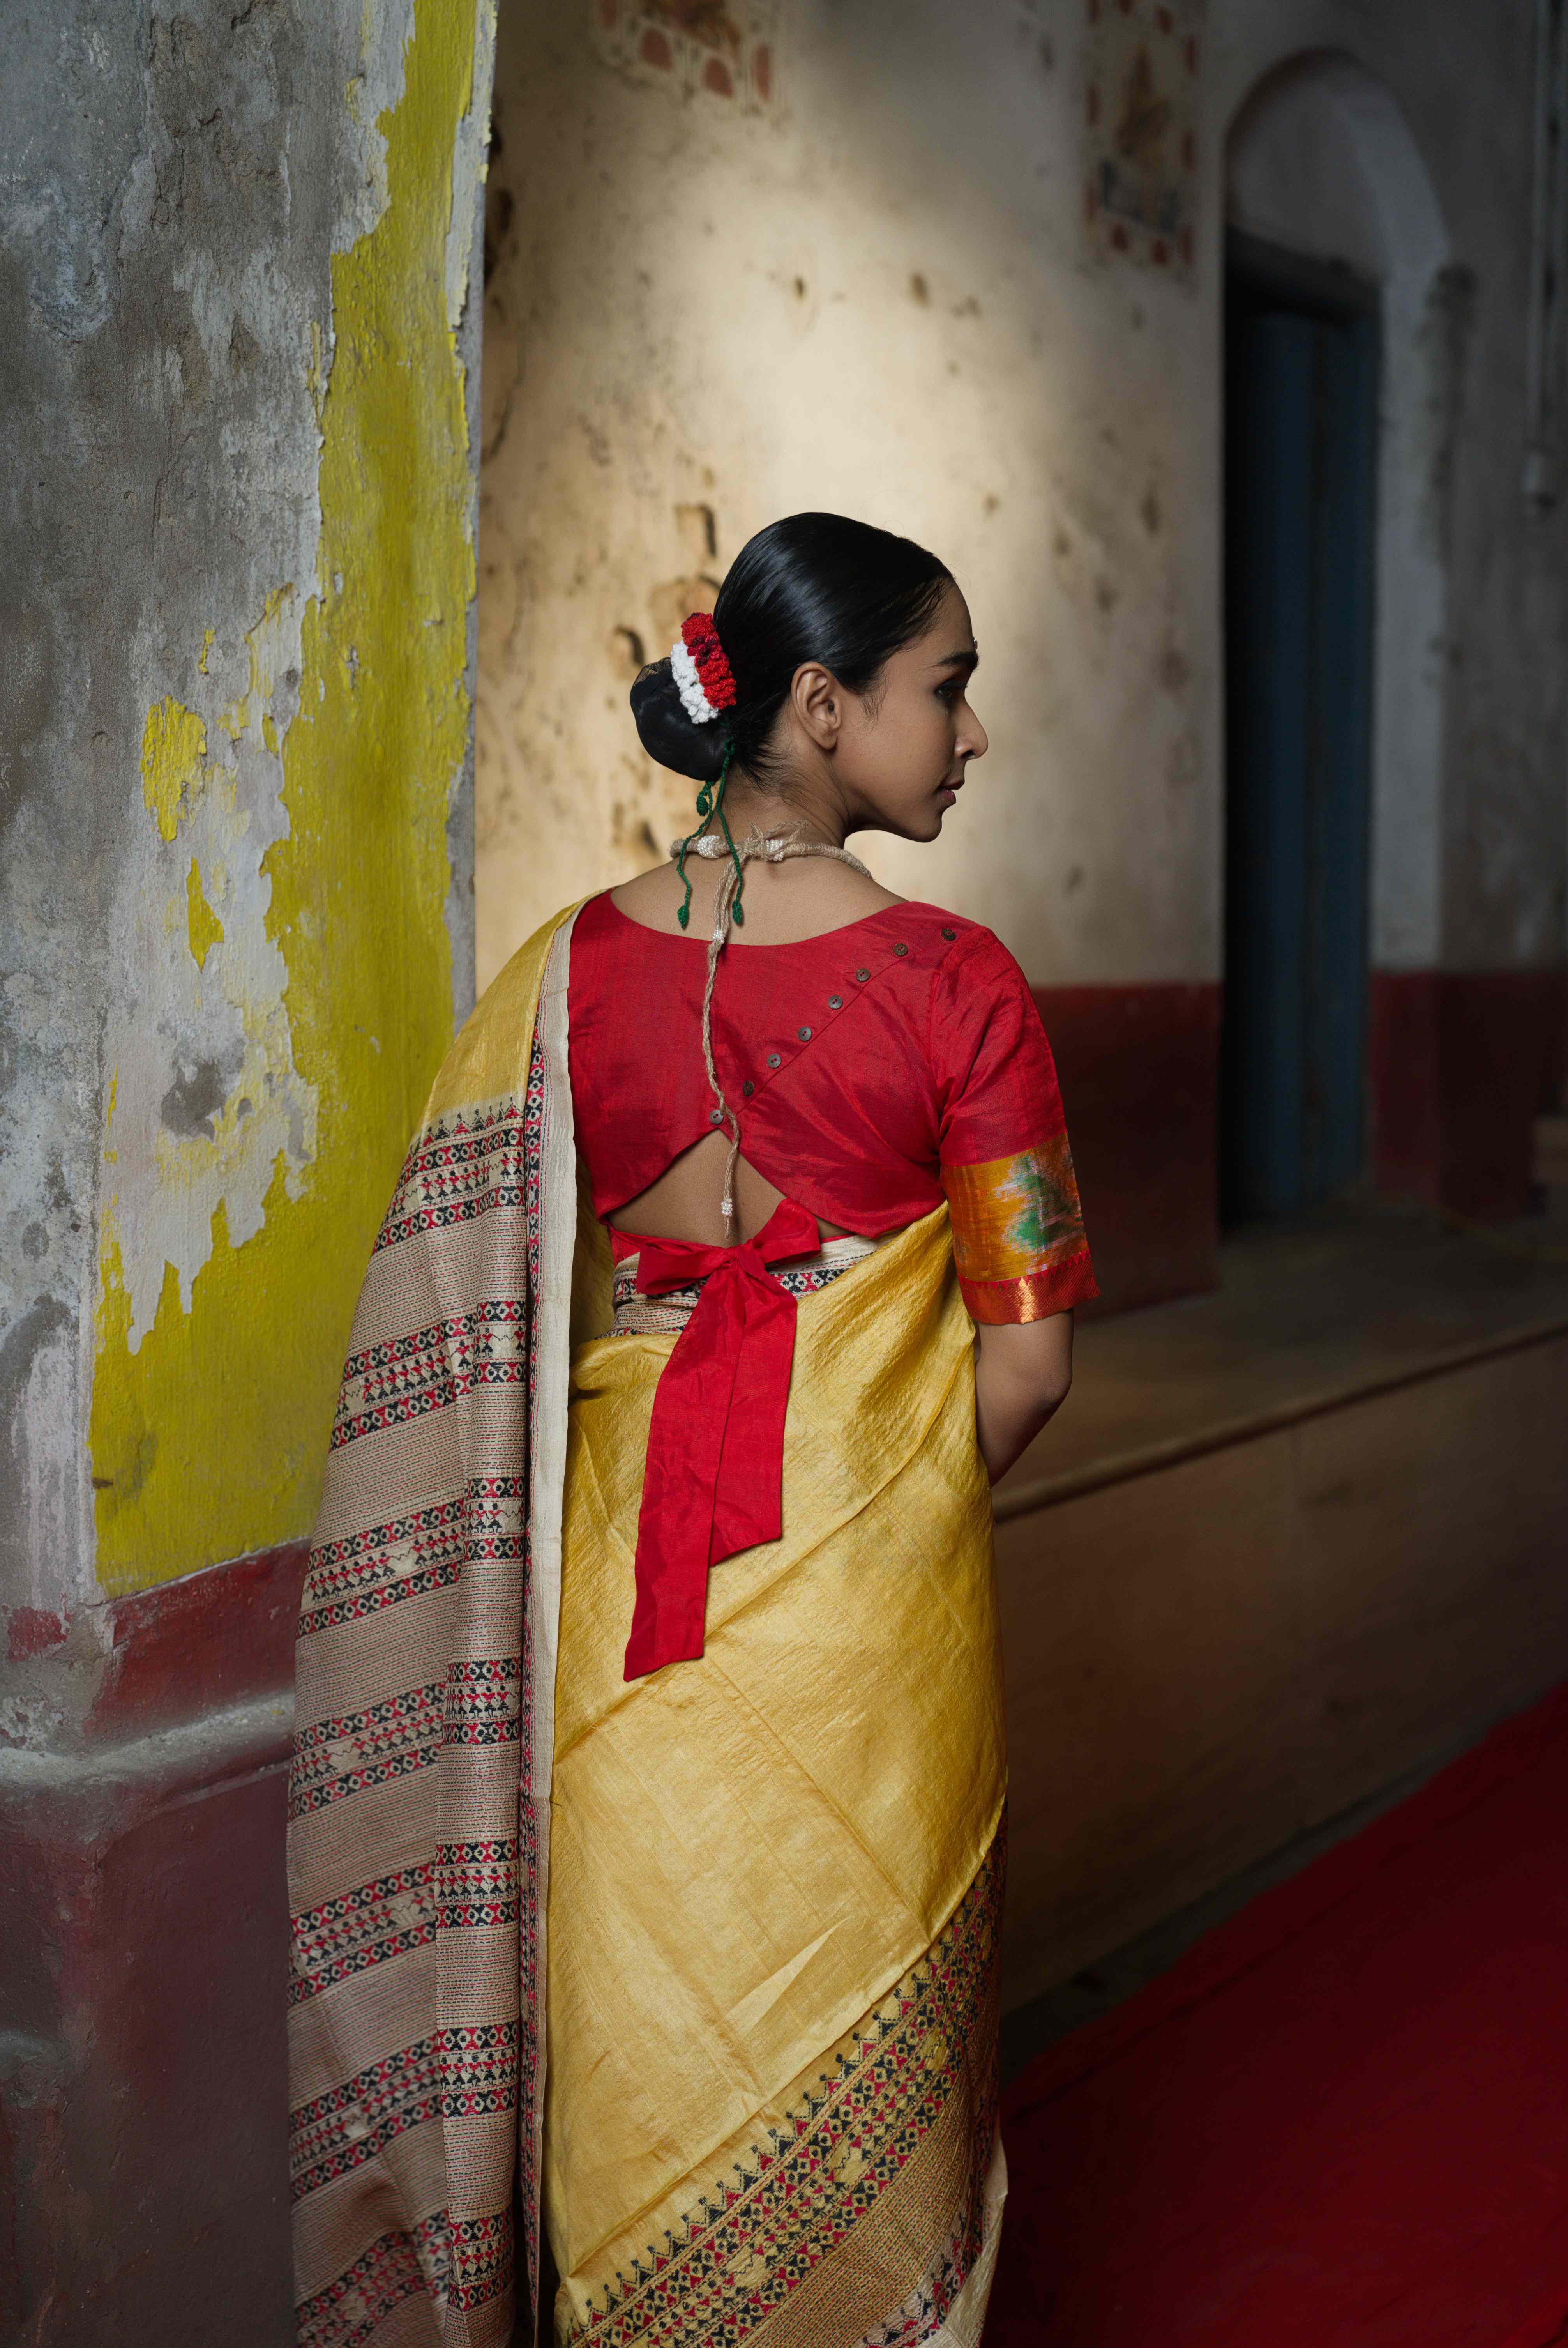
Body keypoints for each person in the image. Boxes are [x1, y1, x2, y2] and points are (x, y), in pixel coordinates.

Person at [286, 514, 1096, 2348]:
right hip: (868, 1619)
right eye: (945, 688)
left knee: (647, 1988)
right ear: (820, 705)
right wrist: (878, 1508)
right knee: (857, 1983)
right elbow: (1030, 1359)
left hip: (614, 1581)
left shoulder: (559, 977)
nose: (972, 734)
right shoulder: (962, 987)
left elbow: (476, 1297)